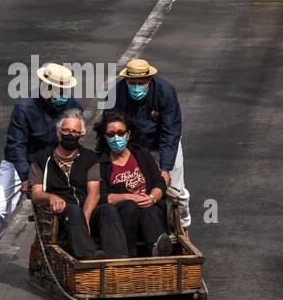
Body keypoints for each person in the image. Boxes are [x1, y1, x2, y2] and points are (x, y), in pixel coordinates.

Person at [0, 62, 82, 277]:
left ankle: (40, 257)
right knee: (0, 208)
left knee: (54, 209)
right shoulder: (25, 107)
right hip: (19, 162)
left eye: (65, 90)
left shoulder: (72, 107)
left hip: (53, 162)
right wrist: (25, 177)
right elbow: (16, 144)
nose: (62, 95)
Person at [29, 113, 128, 261]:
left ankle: (119, 258)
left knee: (108, 209)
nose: (70, 135)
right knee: (73, 210)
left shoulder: (90, 158)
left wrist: (85, 219)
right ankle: (89, 257)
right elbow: (36, 193)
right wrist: (50, 197)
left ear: (81, 137)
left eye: (75, 132)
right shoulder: (42, 158)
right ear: (58, 133)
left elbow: (93, 193)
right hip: (60, 214)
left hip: (85, 212)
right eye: (66, 131)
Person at [110, 57, 191, 229]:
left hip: (162, 144)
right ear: (126, 80)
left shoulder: (165, 91)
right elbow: (109, 128)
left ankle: (182, 227)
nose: (136, 86)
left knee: (176, 192)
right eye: (132, 82)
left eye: (141, 82)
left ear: (149, 80)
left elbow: (171, 131)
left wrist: (165, 168)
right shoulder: (115, 94)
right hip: (132, 146)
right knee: (137, 187)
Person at [94, 111, 174, 257]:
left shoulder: (141, 154)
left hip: (149, 206)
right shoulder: (100, 163)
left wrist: (152, 198)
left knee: (149, 210)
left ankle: (158, 250)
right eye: (111, 134)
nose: (116, 137)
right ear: (105, 137)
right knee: (131, 207)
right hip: (122, 213)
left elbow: (159, 182)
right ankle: (130, 255)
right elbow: (102, 196)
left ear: (128, 134)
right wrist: (128, 197)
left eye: (120, 133)